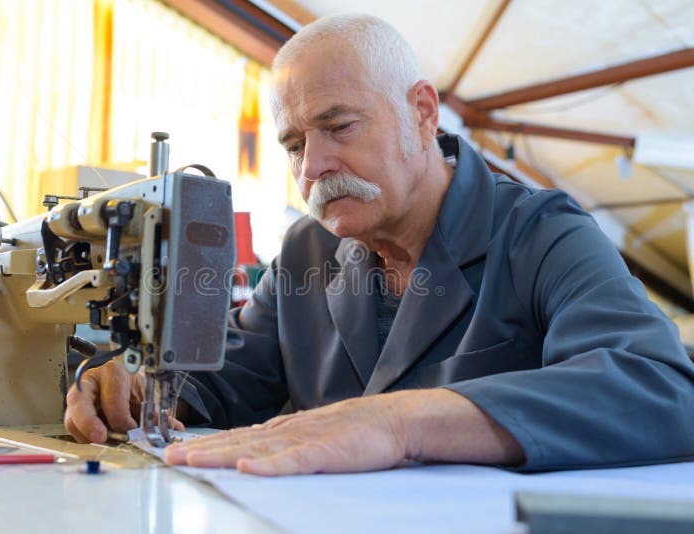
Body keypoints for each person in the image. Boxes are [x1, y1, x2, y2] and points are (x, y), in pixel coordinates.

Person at [65, 14, 694, 476]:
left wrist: (401, 422)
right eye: (293, 145)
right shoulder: (305, 254)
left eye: (339, 126)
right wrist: (136, 383)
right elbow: (219, 383)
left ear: (422, 113)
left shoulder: (542, 233)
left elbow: (659, 388)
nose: (312, 165)